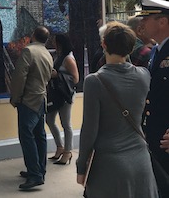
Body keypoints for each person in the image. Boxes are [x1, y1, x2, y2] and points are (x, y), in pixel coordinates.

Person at [76, 21, 157, 198]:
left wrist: (81, 167)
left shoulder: (93, 81)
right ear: (130, 47)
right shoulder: (144, 75)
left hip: (108, 164)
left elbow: (89, 129)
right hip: (141, 160)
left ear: (104, 44)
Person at [10, 26, 53, 191]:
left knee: (27, 136)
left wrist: (16, 98)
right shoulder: (47, 53)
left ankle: (35, 174)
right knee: (39, 135)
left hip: (28, 100)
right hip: (41, 98)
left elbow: (20, 76)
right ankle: (39, 169)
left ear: (33, 36)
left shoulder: (29, 51)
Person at [138, 0, 169, 197]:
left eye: (146, 18)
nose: (142, 23)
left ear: (162, 21)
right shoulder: (154, 52)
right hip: (155, 136)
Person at [45, 33, 79, 165]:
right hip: (56, 93)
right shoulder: (59, 56)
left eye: (55, 42)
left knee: (66, 123)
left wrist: (57, 75)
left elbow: (75, 79)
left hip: (65, 94)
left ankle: (68, 151)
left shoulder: (68, 59)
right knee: (49, 119)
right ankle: (60, 146)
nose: (53, 44)